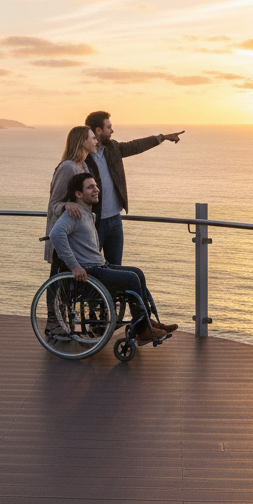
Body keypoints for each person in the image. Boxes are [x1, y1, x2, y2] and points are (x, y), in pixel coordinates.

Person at [48, 172, 177, 345]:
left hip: (100, 266)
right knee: (131, 279)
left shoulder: (89, 215)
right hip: (89, 272)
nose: (97, 190)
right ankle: (143, 329)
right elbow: (56, 234)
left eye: (96, 186)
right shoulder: (73, 215)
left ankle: (145, 323)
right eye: (90, 187)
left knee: (137, 273)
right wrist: (74, 266)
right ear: (78, 194)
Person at [83, 110, 184, 266]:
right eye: (109, 127)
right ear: (98, 130)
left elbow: (136, 146)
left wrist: (162, 137)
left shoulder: (113, 148)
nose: (112, 130)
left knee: (116, 268)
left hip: (115, 219)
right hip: (95, 221)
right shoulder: (83, 157)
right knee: (91, 266)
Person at [43, 126, 99, 272]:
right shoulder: (68, 167)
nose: (96, 141)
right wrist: (66, 205)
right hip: (64, 237)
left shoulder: (84, 166)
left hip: (76, 239)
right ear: (82, 142)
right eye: (93, 138)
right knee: (56, 285)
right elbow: (53, 204)